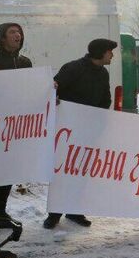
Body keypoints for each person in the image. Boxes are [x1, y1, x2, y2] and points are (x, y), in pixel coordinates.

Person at [43, 38, 116, 230]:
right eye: (110, 51)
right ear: (101, 53)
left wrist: (95, 118)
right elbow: (54, 89)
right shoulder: (73, 68)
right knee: (62, 170)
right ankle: (54, 213)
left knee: (81, 171)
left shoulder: (103, 74)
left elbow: (105, 99)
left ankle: (74, 209)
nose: (113, 55)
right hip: (66, 131)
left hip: (88, 130)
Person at [0, 21, 35, 227]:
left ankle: (1, 211)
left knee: (9, 169)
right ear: (2, 38)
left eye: (19, 32)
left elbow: (30, 89)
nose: (17, 35)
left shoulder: (25, 62)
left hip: (16, 125)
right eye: (12, 32)